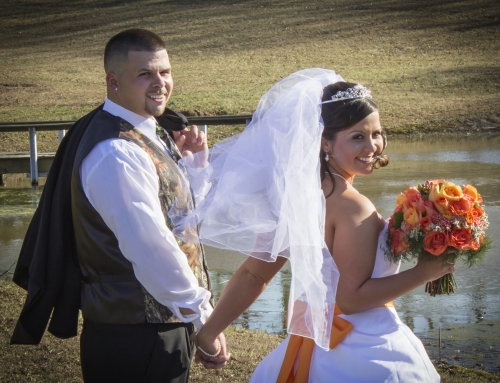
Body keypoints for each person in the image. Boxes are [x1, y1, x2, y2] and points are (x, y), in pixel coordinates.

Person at [184, 69, 452, 381]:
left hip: (308, 346)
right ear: (324, 142)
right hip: (364, 348)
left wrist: (209, 333)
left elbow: (254, 274)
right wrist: (425, 272)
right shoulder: (354, 208)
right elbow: (350, 299)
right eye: (357, 137)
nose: (372, 147)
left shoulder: (298, 200)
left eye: (376, 133)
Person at [11, 28, 228, 382]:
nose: (160, 83)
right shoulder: (115, 152)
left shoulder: (143, 133)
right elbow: (151, 249)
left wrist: (195, 171)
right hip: (134, 337)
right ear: (113, 82)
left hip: (161, 328)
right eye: (145, 74)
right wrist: (203, 320)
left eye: (165, 71)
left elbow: (175, 224)